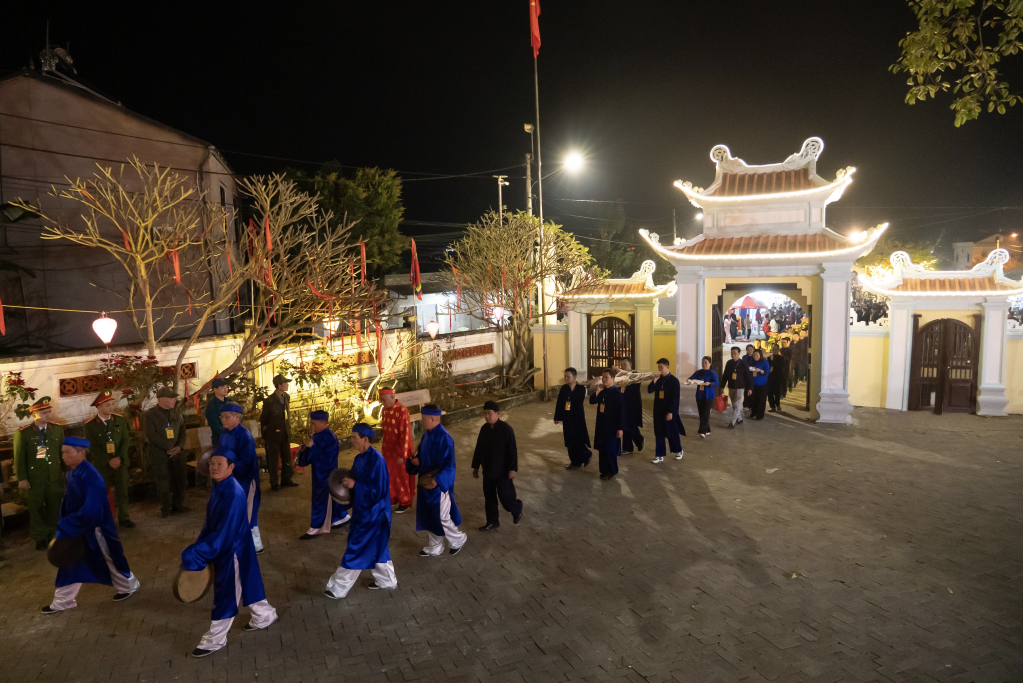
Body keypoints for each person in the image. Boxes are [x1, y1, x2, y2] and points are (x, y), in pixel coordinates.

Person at [183, 447, 277, 657]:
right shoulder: (219, 486)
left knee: (226, 593)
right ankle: (265, 615)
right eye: (212, 463)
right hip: (234, 545)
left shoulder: (233, 493)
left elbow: (225, 532)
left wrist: (197, 552)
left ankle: (214, 639)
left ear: (231, 467)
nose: (214, 467)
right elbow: (211, 523)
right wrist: (201, 543)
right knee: (246, 582)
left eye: (220, 464)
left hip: (232, 549)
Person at [42, 437, 140, 614]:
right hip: (79, 527)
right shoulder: (72, 472)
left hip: (95, 528)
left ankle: (129, 585)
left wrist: (68, 524)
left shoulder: (91, 475)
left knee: (109, 558)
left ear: (81, 452)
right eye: (62, 452)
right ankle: (63, 601)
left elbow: (93, 510)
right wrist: (66, 522)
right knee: (71, 562)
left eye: (67, 452)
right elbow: (68, 502)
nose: (63, 456)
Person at [323, 424, 397, 599]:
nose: (352, 440)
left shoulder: (377, 460)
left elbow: (378, 492)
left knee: (356, 549)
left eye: (354, 437)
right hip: (362, 511)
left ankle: (337, 588)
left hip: (374, 514)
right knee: (377, 546)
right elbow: (353, 485)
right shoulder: (359, 459)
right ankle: (387, 580)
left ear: (365, 439)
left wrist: (356, 484)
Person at [405, 405, 466, 556]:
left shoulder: (445, 438)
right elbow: (421, 455)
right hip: (427, 483)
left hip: (438, 486)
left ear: (432, 419)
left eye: (423, 418)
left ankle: (458, 539)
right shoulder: (427, 435)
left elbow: (450, 465)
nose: (421, 421)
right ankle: (435, 545)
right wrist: (417, 461)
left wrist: (438, 480)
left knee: (441, 516)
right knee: (431, 515)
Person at [14, 398, 65, 550]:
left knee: (54, 506)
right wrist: (22, 478)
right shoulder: (24, 433)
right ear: (34, 414)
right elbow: (19, 457)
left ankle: (53, 534)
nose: (48, 415)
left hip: (54, 476)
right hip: (34, 478)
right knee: (36, 508)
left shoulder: (57, 429)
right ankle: (40, 536)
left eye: (49, 412)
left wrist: (68, 472)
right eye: (44, 413)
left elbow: (62, 452)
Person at [83, 390, 134, 528]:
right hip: (102, 464)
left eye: (112, 404)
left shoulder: (119, 419)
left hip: (120, 462)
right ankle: (103, 520)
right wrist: (108, 460)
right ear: (99, 407)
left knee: (123, 491)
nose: (111, 407)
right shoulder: (90, 424)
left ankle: (124, 517)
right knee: (101, 493)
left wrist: (118, 457)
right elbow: (92, 446)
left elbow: (125, 440)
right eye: (107, 405)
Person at [218, 403, 263, 553]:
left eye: (227, 416)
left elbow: (247, 462)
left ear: (237, 417)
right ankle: (251, 544)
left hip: (245, 480)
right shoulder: (224, 434)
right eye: (222, 416)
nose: (223, 419)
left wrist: (227, 469)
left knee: (247, 511)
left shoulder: (244, 436)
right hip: (230, 479)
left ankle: (251, 545)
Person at [299, 410, 350, 540]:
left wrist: (313, 448)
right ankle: (340, 517)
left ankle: (316, 527)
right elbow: (310, 456)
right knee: (330, 499)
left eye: (314, 424)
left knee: (320, 500)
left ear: (323, 422)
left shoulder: (330, 437)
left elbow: (328, 459)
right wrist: (305, 449)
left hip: (325, 475)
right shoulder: (317, 435)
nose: (312, 426)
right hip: (318, 473)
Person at [471, 401, 522, 531]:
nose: (487, 416)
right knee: (489, 497)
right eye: (485, 414)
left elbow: (512, 450)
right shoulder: (484, 429)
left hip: (502, 470)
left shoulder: (506, 429)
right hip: (488, 469)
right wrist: (476, 466)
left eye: (489, 413)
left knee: (505, 495)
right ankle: (492, 522)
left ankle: (516, 508)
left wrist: (512, 469)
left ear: (498, 413)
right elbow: (479, 448)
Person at [379, 388, 416, 513]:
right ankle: (392, 498)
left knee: (402, 476)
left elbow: (406, 434)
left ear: (392, 397)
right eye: (381, 400)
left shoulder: (402, 411)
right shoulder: (384, 410)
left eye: (384, 400)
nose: (382, 403)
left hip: (401, 450)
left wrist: (402, 454)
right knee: (389, 475)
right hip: (388, 450)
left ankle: (405, 501)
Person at [259, 374, 296, 491]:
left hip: (285, 432)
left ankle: (286, 479)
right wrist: (265, 435)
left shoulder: (286, 397)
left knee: (287, 457)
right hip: (273, 434)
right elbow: (264, 419)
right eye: (285, 383)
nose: (287, 385)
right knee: (273, 459)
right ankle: (274, 482)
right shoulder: (269, 401)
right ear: (279, 385)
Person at [589, 368, 625, 480]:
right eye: (603, 377)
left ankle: (612, 471)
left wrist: (620, 428)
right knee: (602, 449)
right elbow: (591, 401)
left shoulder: (617, 394)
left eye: (606, 377)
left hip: (612, 426)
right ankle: (604, 470)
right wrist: (596, 392)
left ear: (613, 378)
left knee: (610, 449)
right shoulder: (602, 391)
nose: (604, 379)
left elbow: (621, 412)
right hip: (601, 425)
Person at [648, 358, 686, 461]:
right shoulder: (658, 379)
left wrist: (671, 412)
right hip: (658, 410)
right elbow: (649, 390)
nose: (659, 369)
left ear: (667, 367)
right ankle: (659, 455)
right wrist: (654, 381)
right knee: (658, 432)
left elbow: (675, 398)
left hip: (669, 410)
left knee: (671, 431)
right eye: (658, 367)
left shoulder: (674, 381)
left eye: (661, 367)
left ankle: (678, 450)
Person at [553, 368, 591, 469]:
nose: (566, 378)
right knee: (569, 440)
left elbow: (578, 401)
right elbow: (559, 403)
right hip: (567, 418)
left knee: (577, 438)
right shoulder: (564, 388)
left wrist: (572, 390)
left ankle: (586, 454)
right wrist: (557, 417)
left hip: (577, 418)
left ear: (574, 377)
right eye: (564, 376)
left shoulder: (581, 388)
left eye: (568, 376)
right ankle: (574, 462)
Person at [719, 347, 753, 428]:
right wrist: (722, 387)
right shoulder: (729, 363)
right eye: (732, 353)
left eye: (735, 353)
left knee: (737, 404)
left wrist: (749, 388)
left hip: (740, 387)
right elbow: (725, 376)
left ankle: (732, 422)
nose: (733, 355)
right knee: (733, 404)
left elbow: (748, 377)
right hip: (731, 386)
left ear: (739, 354)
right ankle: (739, 418)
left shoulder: (743, 364)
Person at [686, 357, 719, 438]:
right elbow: (690, 378)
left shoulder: (712, 373)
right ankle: (707, 429)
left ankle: (702, 431)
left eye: (706, 362)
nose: (704, 364)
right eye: (702, 362)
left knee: (706, 413)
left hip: (708, 396)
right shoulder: (699, 372)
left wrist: (710, 384)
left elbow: (717, 383)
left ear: (710, 363)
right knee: (701, 413)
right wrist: (690, 381)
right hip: (699, 395)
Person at [618, 359, 645, 454]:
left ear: (630, 364)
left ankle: (639, 439)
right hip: (623, 403)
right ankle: (627, 448)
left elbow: (634, 389)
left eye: (624, 364)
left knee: (631, 424)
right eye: (621, 364)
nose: (622, 366)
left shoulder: (635, 374)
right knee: (624, 424)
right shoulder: (620, 375)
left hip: (632, 404)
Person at [204, 378, 231, 447]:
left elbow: (239, 417)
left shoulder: (231, 402)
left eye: (226, 387)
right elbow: (216, 427)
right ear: (215, 389)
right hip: (221, 441)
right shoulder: (211, 407)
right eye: (222, 387)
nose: (225, 389)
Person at [749, 349, 770, 420]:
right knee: (753, 399)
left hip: (762, 384)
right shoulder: (751, 361)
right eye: (754, 355)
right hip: (753, 384)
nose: (755, 357)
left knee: (761, 400)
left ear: (760, 355)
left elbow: (767, 372)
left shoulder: (764, 362)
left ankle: (759, 415)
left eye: (757, 355)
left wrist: (760, 370)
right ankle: (753, 412)